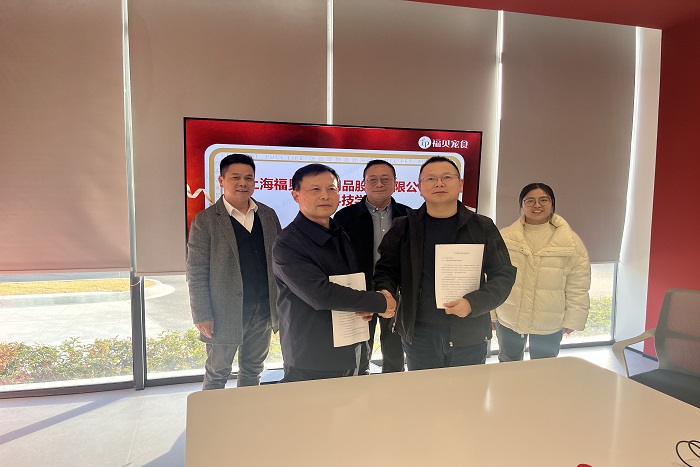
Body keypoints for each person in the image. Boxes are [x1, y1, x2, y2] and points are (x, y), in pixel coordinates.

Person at [373, 156, 516, 370]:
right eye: (431, 179)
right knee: (425, 390)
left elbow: (503, 274)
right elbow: (386, 271)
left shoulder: (482, 226)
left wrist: (473, 303)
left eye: (447, 177)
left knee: (467, 390)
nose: (439, 183)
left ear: (460, 184)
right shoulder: (404, 228)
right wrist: (385, 291)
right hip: (419, 336)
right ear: (419, 188)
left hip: (469, 334)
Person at [272, 163, 396, 383]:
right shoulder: (288, 243)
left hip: (350, 344)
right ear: (296, 195)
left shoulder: (339, 232)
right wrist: (378, 302)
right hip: (312, 355)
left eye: (331, 189)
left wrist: (364, 306)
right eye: (315, 189)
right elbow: (321, 294)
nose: (325, 195)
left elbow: (350, 283)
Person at [186, 153, 281, 389]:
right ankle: (212, 413)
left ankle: (246, 412)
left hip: (263, 311)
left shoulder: (268, 214)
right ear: (221, 181)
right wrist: (202, 314)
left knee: (253, 369)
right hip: (223, 313)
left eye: (249, 178)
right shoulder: (206, 221)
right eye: (235, 177)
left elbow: (279, 262)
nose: (243, 183)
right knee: (217, 372)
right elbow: (196, 272)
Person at [492, 183, 591, 361]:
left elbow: (578, 283)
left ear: (552, 203)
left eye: (543, 200)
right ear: (521, 205)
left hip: (549, 320)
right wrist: (490, 313)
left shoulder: (570, 241)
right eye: (530, 200)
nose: (537, 205)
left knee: (545, 369)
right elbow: (491, 277)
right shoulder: (505, 237)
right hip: (509, 316)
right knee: (508, 365)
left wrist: (573, 318)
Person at [334, 160, 409, 374]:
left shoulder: (408, 216)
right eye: (372, 179)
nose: (379, 184)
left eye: (385, 179)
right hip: (359, 291)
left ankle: (393, 383)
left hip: (396, 290)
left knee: (394, 345)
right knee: (359, 346)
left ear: (395, 183)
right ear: (363, 183)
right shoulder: (345, 217)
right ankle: (360, 384)